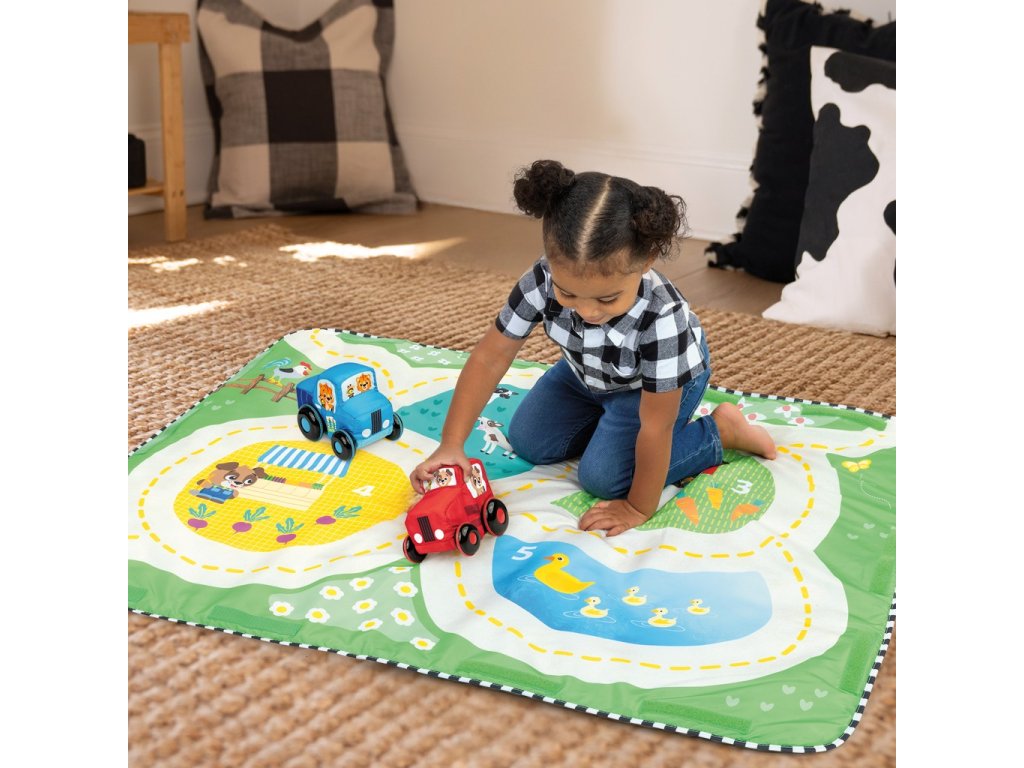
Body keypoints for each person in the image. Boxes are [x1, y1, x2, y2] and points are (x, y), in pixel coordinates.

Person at [408, 159, 776, 536]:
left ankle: (718, 432)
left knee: (604, 479)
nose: (587, 312)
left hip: (651, 389)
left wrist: (637, 507)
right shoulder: (542, 279)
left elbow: (656, 426)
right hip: (584, 373)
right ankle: (606, 429)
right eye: (567, 293)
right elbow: (490, 357)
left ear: (646, 260)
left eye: (607, 298)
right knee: (528, 440)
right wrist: (451, 443)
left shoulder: (663, 318)